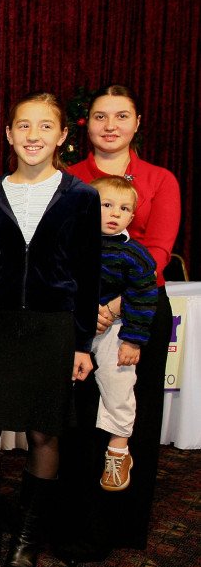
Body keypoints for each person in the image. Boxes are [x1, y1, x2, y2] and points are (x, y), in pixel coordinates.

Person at [0, 92, 100, 567]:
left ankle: (26, 540)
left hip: (51, 328)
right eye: (24, 126)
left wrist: (81, 343)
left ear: (62, 136)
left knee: (44, 433)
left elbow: (88, 272)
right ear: (9, 135)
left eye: (45, 127)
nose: (33, 136)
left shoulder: (81, 197)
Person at [59, 85, 181, 561]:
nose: (110, 125)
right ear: (85, 126)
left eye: (121, 116)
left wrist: (113, 304)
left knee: (131, 417)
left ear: (137, 123)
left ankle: (120, 526)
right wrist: (86, 301)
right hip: (77, 311)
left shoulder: (158, 179)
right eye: (99, 116)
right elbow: (59, 248)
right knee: (77, 420)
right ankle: (74, 527)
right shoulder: (69, 178)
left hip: (138, 310)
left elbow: (158, 251)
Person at [88, 176, 158, 491]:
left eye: (124, 208)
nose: (115, 213)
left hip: (116, 329)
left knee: (118, 380)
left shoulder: (136, 255)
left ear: (132, 217)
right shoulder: (75, 244)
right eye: (106, 205)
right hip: (75, 325)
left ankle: (118, 448)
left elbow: (143, 298)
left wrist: (132, 339)